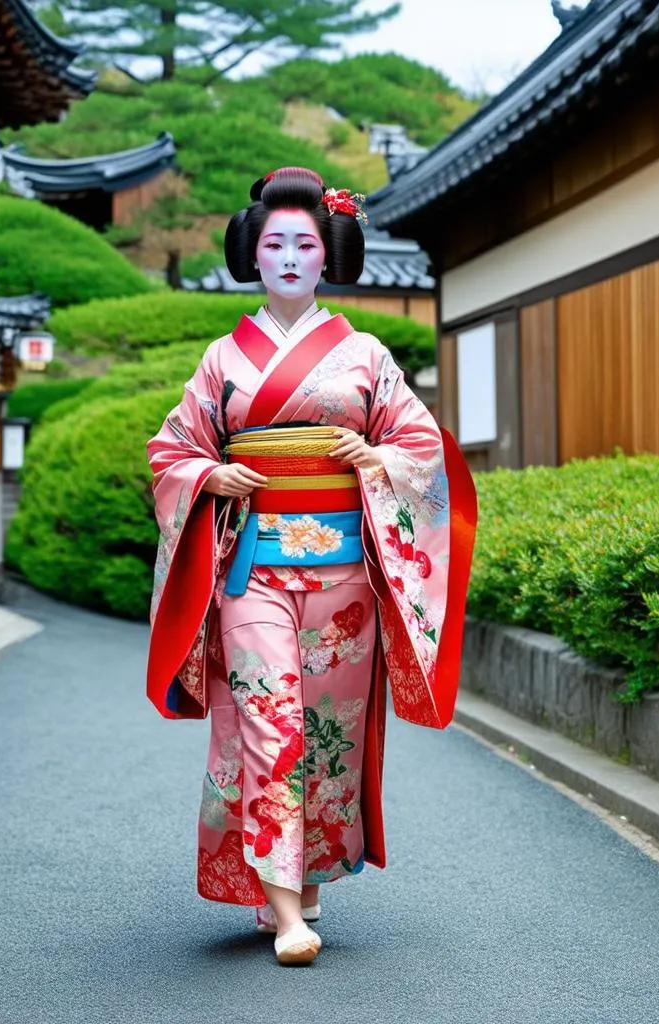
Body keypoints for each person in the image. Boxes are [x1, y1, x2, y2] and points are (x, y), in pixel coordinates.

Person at [146, 167, 477, 966]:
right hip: (253, 568)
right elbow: (171, 448)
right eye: (274, 244)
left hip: (344, 582)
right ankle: (289, 914)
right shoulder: (222, 359)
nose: (290, 256)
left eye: (304, 243)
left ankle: (298, 875)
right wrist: (208, 474)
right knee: (270, 724)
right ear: (251, 256)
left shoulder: (365, 353)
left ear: (327, 254)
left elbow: (423, 447)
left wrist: (378, 456)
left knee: (327, 733)